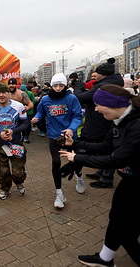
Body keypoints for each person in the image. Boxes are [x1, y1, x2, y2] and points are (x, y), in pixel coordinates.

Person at [60, 84, 140, 266]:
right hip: (129, 181)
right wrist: (76, 143)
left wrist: (77, 158)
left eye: (97, 105)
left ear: (111, 104)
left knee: (127, 234)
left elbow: (115, 160)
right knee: (116, 218)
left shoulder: (136, 125)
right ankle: (105, 259)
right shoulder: (118, 120)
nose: (95, 109)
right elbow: (105, 147)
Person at [32, 73, 83, 208]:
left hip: (69, 136)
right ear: (52, 85)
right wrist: (36, 118)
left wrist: (71, 129)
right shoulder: (45, 99)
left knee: (75, 160)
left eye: (61, 85)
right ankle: (59, 193)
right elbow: (40, 112)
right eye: (55, 85)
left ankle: (79, 176)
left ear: (65, 85)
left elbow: (78, 115)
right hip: (54, 136)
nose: (58, 88)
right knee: (56, 162)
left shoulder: (71, 98)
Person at [77, 58, 124, 188]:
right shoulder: (109, 83)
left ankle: (106, 179)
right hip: (102, 121)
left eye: (95, 73)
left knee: (107, 149)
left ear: (102, 74)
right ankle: (101, 172)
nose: (94, 75)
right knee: (103, 148)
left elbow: (83, 98)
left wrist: (78, 89)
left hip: (103, 123)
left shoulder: (103, 85)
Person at [0, 82, 30, 200]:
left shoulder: (19, 106)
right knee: (3, 170)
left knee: (18, 171)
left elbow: (26, 124)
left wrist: (13, 131)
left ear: (8, 93)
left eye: (3, 92)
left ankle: (19, 183)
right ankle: (5, 189)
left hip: (16, 143)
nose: (1, 95)